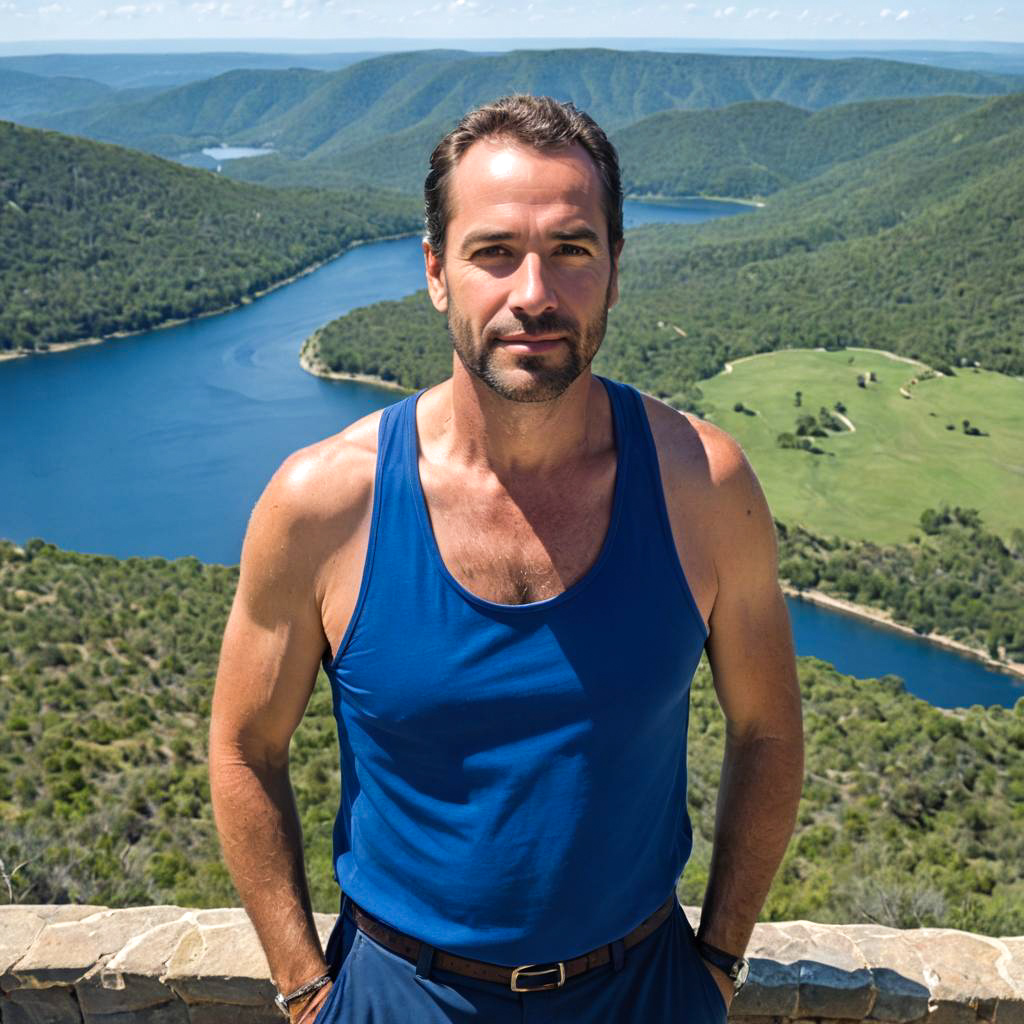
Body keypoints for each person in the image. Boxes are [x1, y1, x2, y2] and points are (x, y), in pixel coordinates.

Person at [209, 94, 804, 1024]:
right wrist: (305, 989)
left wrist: (717, 961)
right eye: (495, 253)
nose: (535, 292)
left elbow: (768, 732)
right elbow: (244, 749)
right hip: (397, 994)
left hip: (643, 991)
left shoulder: (704, 485)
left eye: (572, 250)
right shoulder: (326, 503)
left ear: (614, 272)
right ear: (437, 273)